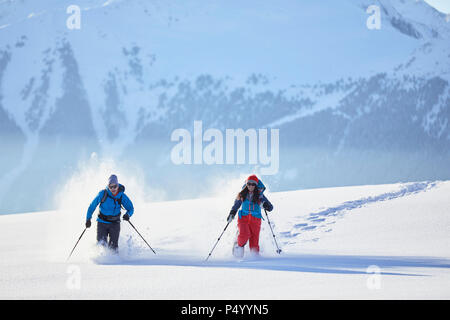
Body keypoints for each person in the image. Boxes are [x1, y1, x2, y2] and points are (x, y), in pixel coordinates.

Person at [227, 174, 273, 257]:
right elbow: (236, 205)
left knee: (254, 243)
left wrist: (266, 205)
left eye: (253, 184)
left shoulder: (260, 195)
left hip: (256, 219)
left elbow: (270, 207)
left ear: (256, 185)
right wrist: (232, 213)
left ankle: (254, 258)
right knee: (244, 235)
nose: (250, 186)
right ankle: (238, 246)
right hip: (243, 217)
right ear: (246, 184)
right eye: (249, 184)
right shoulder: (242, 194)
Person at [85, 174, 134, 252]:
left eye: (115, 186)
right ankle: (100, 261)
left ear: (118, 185)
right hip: (102, 223)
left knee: (113, 247)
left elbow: (131, 208)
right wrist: (88, 219)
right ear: (108, 186)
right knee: (101, 245)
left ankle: (114, 261)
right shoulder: (102, 194)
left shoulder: (122, 196)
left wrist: (128, 215)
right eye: (111, 186)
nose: (113, 188)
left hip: (115, 223)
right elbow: (92, 206)